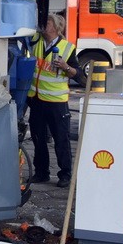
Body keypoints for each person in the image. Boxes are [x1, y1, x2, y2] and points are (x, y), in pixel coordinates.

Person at [27, 13, 83, 188]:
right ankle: (41, 172)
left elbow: (81, 76)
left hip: (57, 102)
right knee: (38, 138)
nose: (45, 23)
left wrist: (66, 67)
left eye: (48, 21)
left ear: (57, 27)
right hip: (36, 99)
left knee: (61, 139)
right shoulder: (37, 40)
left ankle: (65, 174)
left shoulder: (67, 48)